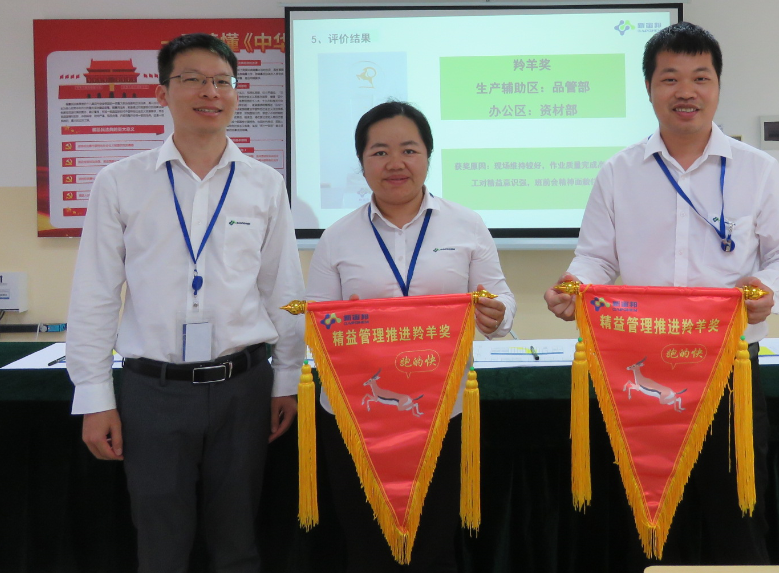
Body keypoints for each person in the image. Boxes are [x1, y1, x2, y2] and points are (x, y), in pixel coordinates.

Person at [544, 22, 779, 566]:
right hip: (642, 370)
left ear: (718, 87)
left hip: (729, 369)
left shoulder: (758, 171)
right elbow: (596, 258)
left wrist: (769, 291)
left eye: (700, 78)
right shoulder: (618, 173)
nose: (685, 91)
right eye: (670, 78)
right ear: (649, 88)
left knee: (736, 518)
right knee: (646, 518)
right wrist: (574, 285)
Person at [66, 33, 305, 573]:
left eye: (222, 81)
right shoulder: (120, 183)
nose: (209, 92)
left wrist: (286, 380)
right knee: (161, 546)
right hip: (153, 392)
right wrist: (94, 395)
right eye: (193, 79)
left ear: (235, 93)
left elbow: (283, 289)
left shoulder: (264, 185)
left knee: (238, 542)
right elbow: (95, 294)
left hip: (244, 386)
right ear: (162, 92)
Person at [307, 101, 516, 573]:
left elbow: (500, 299)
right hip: (357, 418)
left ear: (428, 156)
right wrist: (338, 326)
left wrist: (498, 314)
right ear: (362, 162)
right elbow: (316, 324)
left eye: (409, 149)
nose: (395, 163)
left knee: (434, 546)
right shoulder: (337, 237)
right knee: (367, 545)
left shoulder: (466, 224)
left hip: (443, 410)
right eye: (379, 152)